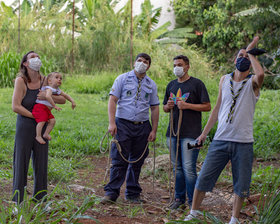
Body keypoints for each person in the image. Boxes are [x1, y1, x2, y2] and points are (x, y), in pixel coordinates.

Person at [184, 36, 264, 224]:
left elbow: (260, 75)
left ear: (251, 62)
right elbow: (217, 108)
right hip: (221, 139)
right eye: (240, 55)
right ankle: (194, 212)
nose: (243, 58)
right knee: (204, 176)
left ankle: (234, 219)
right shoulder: (224, 79)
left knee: (241, 183)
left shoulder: (253, 83)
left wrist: (252, 51)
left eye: (247, 56)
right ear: (235, 59)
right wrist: (204, 133)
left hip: (243, 142)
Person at [101, 53, 160, 203]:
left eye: (145, 62)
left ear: (149, 66)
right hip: (123, 124)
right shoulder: (122, 79)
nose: (142, 63)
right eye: (139, 61)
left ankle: (133, 194)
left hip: (142, 126)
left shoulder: (151, 84)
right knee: (119, 158)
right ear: (134, 63)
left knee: (137, 161)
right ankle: (111, 193)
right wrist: (111, 123)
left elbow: (154, 108)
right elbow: (112, 100)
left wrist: (154, 130)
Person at [12, 51, 66, 204]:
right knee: (21, 163)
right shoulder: (21, 81)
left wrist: (47, 97)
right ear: (25, 63)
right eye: (32, 57)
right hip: (25, 125)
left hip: (42, 129)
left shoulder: (45, 80)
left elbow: (62, 99)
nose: (37, 59)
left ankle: (41, 200)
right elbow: (15, 106)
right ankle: (18, 201)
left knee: (41, 163)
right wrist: (36, 117)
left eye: (38, 56)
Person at [163, 55, 211, 209]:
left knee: (189, 168)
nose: (177, 67)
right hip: (173, 134)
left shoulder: (197, 84)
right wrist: (169, 106)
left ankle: (193, 202)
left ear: (187, 66)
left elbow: (207, 106)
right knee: (176, 168)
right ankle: (178, 199)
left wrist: (188, 106)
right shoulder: (171, 85)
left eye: (180, 64)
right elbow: (164, 108)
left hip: (191, 135)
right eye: (175, 64)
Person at [32, 72, 76, 144]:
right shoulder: (48, 88)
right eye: (56, 77)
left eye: (61, 78)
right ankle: (38, 136)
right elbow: (47, 96)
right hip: (40, 107)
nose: (59, 79)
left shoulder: (57, 90)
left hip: (47, 110)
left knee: (52, 121)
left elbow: (65, 95)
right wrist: (54, 106)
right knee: (42, 120)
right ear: (49, 81)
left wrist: (72, 101)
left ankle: (46, 134)